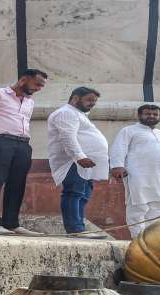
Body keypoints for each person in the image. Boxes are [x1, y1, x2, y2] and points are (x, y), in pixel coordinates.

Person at [0, 69, 48, 235]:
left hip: (23, 144)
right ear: (23, 80)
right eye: (37, 84)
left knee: (17, 184)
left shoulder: (30, 102)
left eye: (41, 86)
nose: (39, 89)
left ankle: (11, 223)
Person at [47, 87, 109, 239]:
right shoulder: (66, 113)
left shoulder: (78, 115)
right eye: (89, 100)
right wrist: (79, 157)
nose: (92, 104)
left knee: (83, 194)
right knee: (73, 193)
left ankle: (79, 228)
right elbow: (68, 137)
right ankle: (75, 229)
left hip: (84, 164)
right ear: (75, 98)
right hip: (73, 163)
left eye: (94, 101)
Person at [109, 104, 160, 238]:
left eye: (155, 114)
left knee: (157, 204)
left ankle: (151, 238)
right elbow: (119, 148)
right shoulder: (129, 130)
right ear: (139, 115)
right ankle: (137, 237)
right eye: (147, 114)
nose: (151, 116)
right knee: (138, 204)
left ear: (159, 117)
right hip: (137, 174)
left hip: (159, 175)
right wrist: (117, 166)